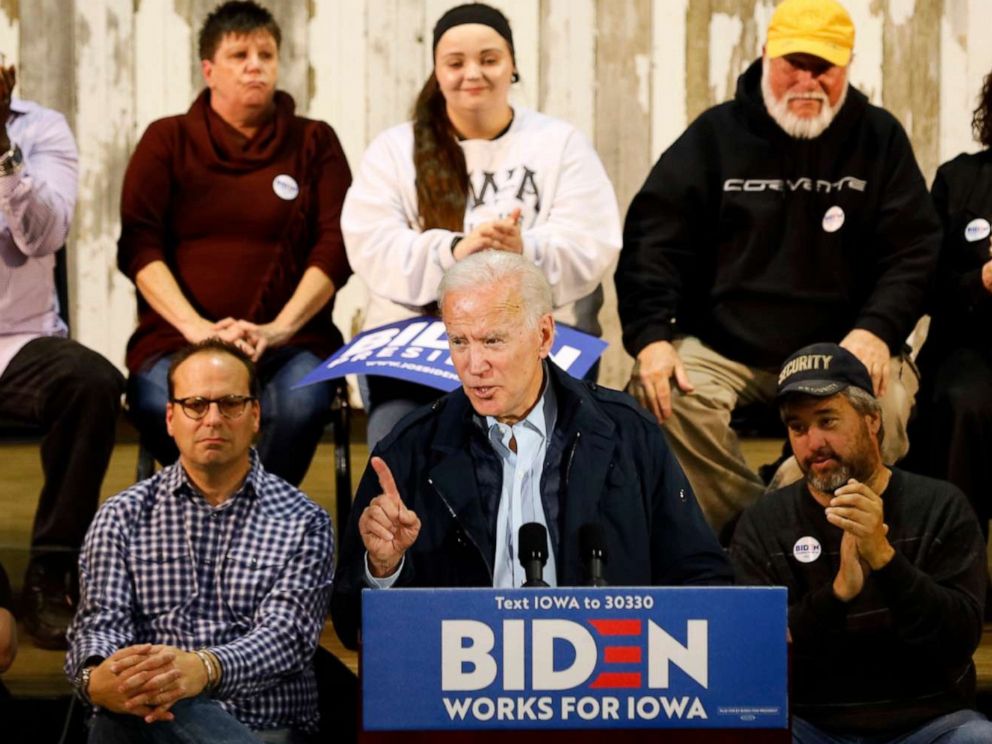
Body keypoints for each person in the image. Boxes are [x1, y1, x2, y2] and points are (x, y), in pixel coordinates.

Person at [616, 0, 939, 536]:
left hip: (844, 345)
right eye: (795, 63)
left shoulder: (878, 137)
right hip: (726, 347)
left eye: (825, 67)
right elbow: (654, 240)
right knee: (659, 395)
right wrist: (651, 338)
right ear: (766, 56)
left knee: (889, 404)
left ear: (848, 66)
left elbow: (915, 251)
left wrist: (877, 332)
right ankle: (765, 528)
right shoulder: (715, 135)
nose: (808, 80)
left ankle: (777, 528)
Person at [331, 251, 731, 649]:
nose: (474, 364)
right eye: (459, 341)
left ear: (543, 336)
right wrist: (384, 569)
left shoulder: (627, 434)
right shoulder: (409, 451)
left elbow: (699, 574)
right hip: (466, 689)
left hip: (608, 683)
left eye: (493, 341)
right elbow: (351, 623)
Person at [341, 2, 621, 450]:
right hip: (420, 343)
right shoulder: (395, 150)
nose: (473, 73)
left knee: (551, 450)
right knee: (399, 445)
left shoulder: (558, 143)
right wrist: (453, 252)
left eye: (489, 60)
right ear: (437, 71)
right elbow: (372, 244)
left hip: (529, 343)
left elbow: (591, 239)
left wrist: (522, 252)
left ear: (512, 66)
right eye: (455, 63)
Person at [118, 0, 352, 486]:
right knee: (156, 399)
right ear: (209, 70)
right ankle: (212, 522)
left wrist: (277, 329)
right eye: (239, 55)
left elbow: (335, 246)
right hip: (179, 342)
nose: (255, 66)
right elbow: (140, 246)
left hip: (292, 344)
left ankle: (258, 530)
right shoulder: (167, 141)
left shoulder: (315, 142)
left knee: (301, 402)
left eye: (266, 54)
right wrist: (198, 329)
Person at [65, 339, 334, 743]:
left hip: (261, 724)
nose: (213, 419)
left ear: (255, 415)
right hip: (149, 719)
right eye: (196, 405)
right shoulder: (121, 516)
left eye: (230, 403)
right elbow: (100, 624)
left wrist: (204, 668)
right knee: (114, 718)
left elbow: (286, 638)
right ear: (171, 417)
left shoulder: (304, 520)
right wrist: (95, 674)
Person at [730, 343, 992, 743]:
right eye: (798, 427)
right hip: (811, 727)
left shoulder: (939, 506)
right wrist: (838, 595)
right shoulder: (765, 524)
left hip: (931, 724)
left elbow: (958, 640)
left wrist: (886, 562)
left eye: (827, 420)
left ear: (872, 420)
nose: (812, 441)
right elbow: (757, 657)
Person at [0, 59, 125, 649]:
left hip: (20, 340)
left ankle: (53, 565)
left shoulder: (41, 130)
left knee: (92, 382)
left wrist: (2, 150)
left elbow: (43, 235)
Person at [905, 70, 992, 540]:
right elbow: (924, 287)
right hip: (969, 347)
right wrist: (980, 280)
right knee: (961, 404)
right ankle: (963, 569)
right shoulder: (959, 180)